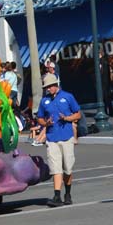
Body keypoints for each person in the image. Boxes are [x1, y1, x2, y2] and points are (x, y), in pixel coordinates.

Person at [37, 74, 81, 207]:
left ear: (55, 85)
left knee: (67, 168)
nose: (48, 89)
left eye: (50, 86)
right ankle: (57, 196)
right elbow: (39, 118)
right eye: (46, 87)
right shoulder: (44, 101)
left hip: (66, 136)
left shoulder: (67, 96)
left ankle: (68, 194)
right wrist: (46, 123)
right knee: (56, 168)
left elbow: (78, 114)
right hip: (51, 138)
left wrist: (67, 118)